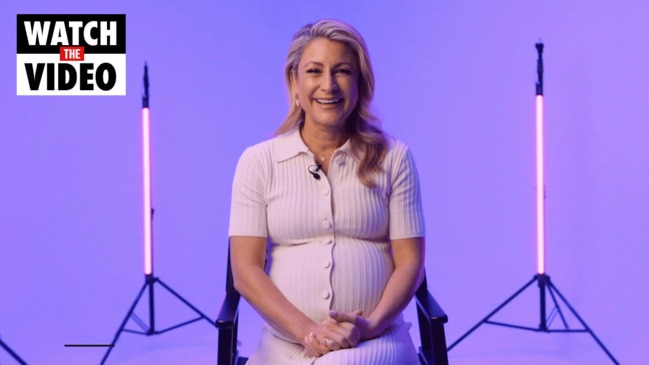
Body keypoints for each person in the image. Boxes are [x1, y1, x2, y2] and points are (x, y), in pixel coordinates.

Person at [228, 19, 426, 365]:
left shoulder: (395, 158)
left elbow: (411, 263)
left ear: (360, 82)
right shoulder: (258, 161)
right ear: (294, 81)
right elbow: (245, 270)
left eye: (343, 71)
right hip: (286, 342)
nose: (328, 85)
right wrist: (307, 330)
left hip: (376, 340)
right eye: (315, 71)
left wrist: (369, 326)